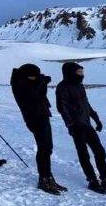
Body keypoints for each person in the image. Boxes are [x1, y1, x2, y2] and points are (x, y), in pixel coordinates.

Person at [55, 62, 106, 194]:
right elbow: (62, 107)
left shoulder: (79, 86)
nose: (82, 74)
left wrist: (96, 119)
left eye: (82, 72)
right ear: (70, 72)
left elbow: (86, 104)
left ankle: (105, 180)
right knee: (83, 154)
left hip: (86, 124)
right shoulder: (62, 87)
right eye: (79, 72)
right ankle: (92, 181)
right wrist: (70, 124)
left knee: (100, 151)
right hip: (76, 126)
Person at [11, 64, 66, 195]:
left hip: (42, 114)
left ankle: (49, 177)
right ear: (26, 75)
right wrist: (42, 81)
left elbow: (40, 95)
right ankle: (43, 179)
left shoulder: (30, 82)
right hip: (34, 118)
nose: (35, 78)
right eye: (33, 76)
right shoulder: (19, 84)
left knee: (48, 147)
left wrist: (42, 82)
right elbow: (33, 94)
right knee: (43, 148)